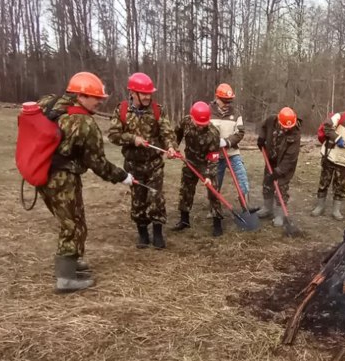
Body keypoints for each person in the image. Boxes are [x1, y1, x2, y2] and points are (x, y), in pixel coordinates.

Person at [36, 72, 134, 292]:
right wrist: (123, 176)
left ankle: (72, 262)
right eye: (95, 97)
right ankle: (66, 278)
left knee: (72, 220)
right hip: (62, 178)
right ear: (80, 96)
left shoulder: (48, 102)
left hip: (40, 172)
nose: (99, 102)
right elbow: (98, 163)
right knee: (73, 224)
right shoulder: (84, 122)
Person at [107, 72, 178, 249]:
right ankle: (143, 233)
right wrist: (133, 139)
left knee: (156, 197)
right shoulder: (121, 110)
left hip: (154, 164)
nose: (147, 97)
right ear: (132, 93)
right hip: (132, 165)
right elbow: (113, 136)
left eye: (149, 93)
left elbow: (167, 132)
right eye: (143, 93)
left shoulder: (157, 110)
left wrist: (171, 147)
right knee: (138, 200)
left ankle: (158, 233)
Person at [171, 101, 224, 237]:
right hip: (189, 161)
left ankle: (217, 223)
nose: (201, 127)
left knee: (213, 192)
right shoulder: (185, 122)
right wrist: (174, 147)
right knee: (186, 190)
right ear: (192, 117)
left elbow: (213, 157)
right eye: (198, 124)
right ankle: (184, 220)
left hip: (206, 164)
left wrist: (209, 175)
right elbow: (175, 135)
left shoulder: (213, 133)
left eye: (203, 124)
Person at [256, 107, 301, 226]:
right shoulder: (272, 120)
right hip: (270, 158)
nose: (286, 130)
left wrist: (278, 171)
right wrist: (261, 138)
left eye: (288, 128)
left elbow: (290, 158)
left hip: (284, 165)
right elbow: (263, 127)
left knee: (281, 187)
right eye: (284, 127)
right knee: (267, 183)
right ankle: (267, 208)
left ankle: (280, 214)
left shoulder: (295, 134)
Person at [209, 83, 250, 206]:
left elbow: (240, 132)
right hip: (215, 155)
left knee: (242, 178)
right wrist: (214, 142)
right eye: (224, 101)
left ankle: (246, 206)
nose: (227, 104)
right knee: (215, 183)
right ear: (217, 98)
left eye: (229, 101)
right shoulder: (208, 111)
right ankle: (214, 207)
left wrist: (227, 142)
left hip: (232, 153)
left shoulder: (236, 113)